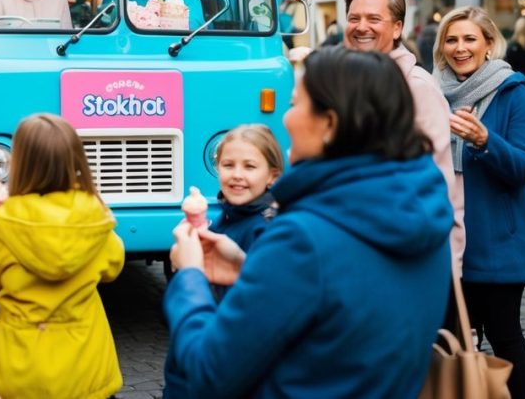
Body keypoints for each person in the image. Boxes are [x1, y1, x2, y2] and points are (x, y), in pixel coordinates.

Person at [163, 47, 452, 398]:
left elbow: (209, 372)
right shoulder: (426, 210)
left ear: (329, 124)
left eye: (296, 103)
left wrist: (190, 278)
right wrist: (249, 268)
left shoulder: (302, 238)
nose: (285, 118)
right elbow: (344, 310)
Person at [434, 6, 525, 399]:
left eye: (469, 39)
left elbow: (524, 166)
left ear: (488, 45)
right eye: (451, 39)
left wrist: (485, 141)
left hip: (497, 240)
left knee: (505, 337)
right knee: (450, 342)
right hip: (444, 242)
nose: (460, 47)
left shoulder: (515, 92)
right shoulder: (432, 94)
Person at [0, 113, 124, 399]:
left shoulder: (4, 221)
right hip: (85, 365)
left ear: (20, 163)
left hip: (17, 366)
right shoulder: (95, 218)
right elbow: (113, 268)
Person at [343, 0, 464, 265]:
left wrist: (449, 265)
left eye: (374, 18)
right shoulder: (344, 82)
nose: (361, 27)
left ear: (397, 28)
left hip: (405, 254)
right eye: (354, 18)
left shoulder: (416, 86)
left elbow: (439, 183)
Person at [207, 124, 281, 301]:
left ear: (272, 177)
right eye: (228, 165)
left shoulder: (269, 228)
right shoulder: (222, 219)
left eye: (249, 166)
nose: (237, 174)